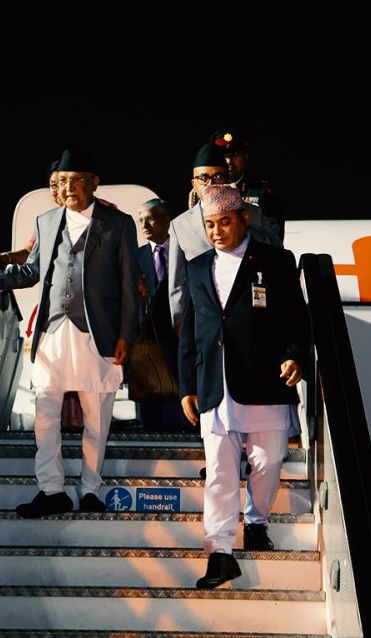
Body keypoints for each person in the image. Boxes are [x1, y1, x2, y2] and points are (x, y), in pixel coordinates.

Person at [0, 149, 139, 517]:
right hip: (53, 330)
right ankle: (52, 489)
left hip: (97, 332)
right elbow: (31, 271)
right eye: (63, 181)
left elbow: (128, 284)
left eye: (77, 181)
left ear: (94, 183)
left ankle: (90, 489)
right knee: (45, 413)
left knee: (97, 418)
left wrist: (126, 335)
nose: (69, 187)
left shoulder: (118, 224)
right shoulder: (46, 221)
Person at [178, 185, 310, 588]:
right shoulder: (197, 266)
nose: (217, 231)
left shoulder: (275, 261)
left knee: (267, 462)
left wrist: (294, 356)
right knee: (219, 472)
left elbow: (296, 320)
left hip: (265, 380)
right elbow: (190, 332)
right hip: (215, 385)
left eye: (225, 222)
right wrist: (186, 385)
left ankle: (256, 521)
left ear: (244, 218)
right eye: (210, 225)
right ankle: (219, 553)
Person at [167, 140, 282, 333]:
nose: (211, 184)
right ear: (194, 183)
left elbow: (276, 251)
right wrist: (179, 324)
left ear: (228, 179)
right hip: (205, 321)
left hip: (249, 316)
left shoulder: (252, 213)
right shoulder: (180, 225)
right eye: (203, 178)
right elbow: (177, 283)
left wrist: (241, 224)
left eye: (218, 176)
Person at [134, 198, 190, 431]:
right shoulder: (135, 257)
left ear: (167, 220)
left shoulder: (186, 252)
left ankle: (185, 424)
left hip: (180, 330)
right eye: (141, 221)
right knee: (150, 384)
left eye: (150, 218)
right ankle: (150, 427)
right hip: (148, 335)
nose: (144, 225)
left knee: (180, 379)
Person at [211, 128, 285, 239]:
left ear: (245, 157)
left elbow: (274, 237)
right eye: (224, 156)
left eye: (235, 155)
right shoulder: (206, 190)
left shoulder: (262, 190)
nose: (229, 162)